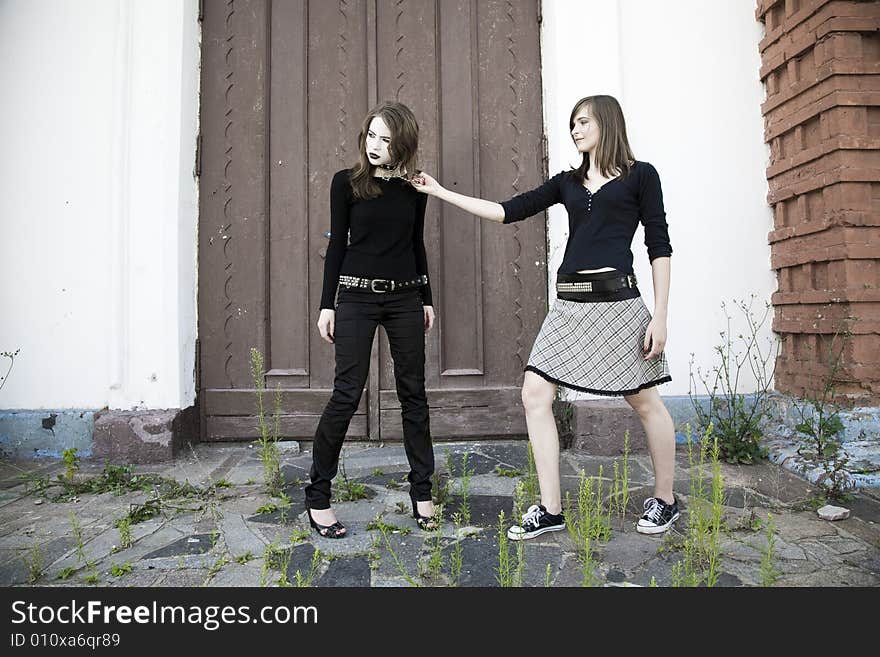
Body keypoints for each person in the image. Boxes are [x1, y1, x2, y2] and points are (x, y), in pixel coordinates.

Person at [412, 94, 679, 538]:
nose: (575, 130)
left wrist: (661, 316)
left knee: (644, 401)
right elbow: (506, 212)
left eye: (583, 122)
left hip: (618, 304)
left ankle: (666, 500)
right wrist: (439, 192)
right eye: (572, 124)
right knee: (535, 393)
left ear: (607, 123)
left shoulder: (641, 176)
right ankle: (550, 508)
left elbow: (659, 246)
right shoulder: (567, 183)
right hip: (570, 306)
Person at [305, 101, 437, 538]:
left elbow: (416, 244)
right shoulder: (346, 183)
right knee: (346, 393)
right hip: (356, 298)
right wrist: (329, 303)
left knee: (413, 395)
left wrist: (426, 298)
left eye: (385, 138)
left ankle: (422, 492)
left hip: (404, 299)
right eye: (371, 136)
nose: (375, 145)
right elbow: (337, 247)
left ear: (403, 143)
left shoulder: (414, 188)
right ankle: (318, 497)